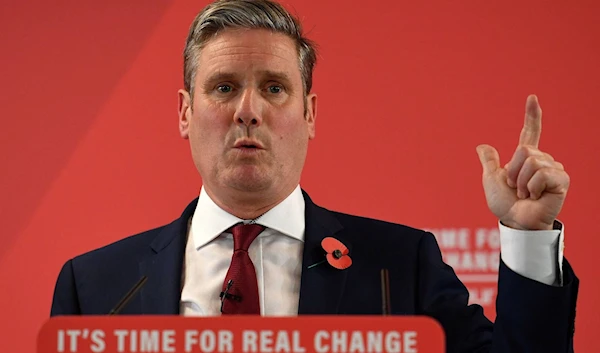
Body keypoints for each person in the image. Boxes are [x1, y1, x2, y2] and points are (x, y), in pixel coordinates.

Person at [50, 0, 578, 352]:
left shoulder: (401, 266)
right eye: (224, 87)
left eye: (275, 87)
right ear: (185, 113)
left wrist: (528, 237)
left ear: (310, 114)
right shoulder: (94, 286)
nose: (248, 110)